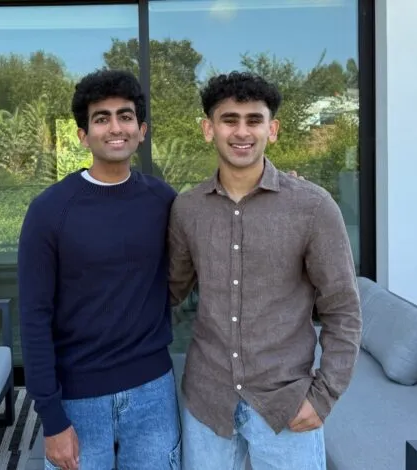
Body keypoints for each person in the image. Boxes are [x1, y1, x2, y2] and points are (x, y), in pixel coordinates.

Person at [167, 71, 363, 470]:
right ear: (209, 129)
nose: (242, 132)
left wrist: (324, 395)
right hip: (208, 400)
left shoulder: (312, 207)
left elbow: (343, 309)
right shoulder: (187, 209)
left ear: (272, 129)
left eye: (254, 120)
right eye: (229, 120)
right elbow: (169, 291)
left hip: (286, 403)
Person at [18, 69, 181, 470]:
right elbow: (34, 317)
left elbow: (219, 224)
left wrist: (275, 194)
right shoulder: (49, 210)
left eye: (125, 116)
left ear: (141, 130)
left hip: (154, 394)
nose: (115, 127)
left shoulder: (164, 200)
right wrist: (51, 418)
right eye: (101, 117)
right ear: (83, 135)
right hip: (78, 398)